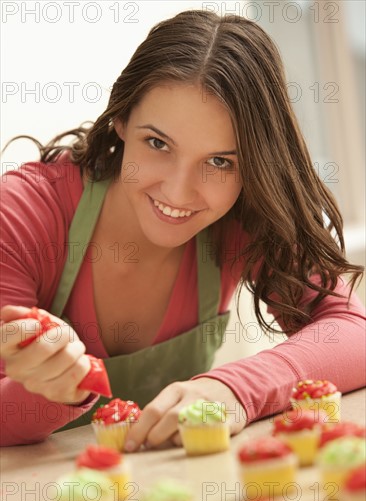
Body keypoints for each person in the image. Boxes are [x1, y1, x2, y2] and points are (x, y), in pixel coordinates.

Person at [1, 10, 365, 448]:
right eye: (158, 144)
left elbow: (351, 329)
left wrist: (234, 388)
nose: (178, 192)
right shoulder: (21, 215)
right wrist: (52, 393)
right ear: (121, 119)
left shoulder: (243, 214)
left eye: (219, 162)